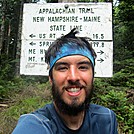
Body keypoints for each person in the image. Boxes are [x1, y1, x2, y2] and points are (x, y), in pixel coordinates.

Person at [12, 28, 118, 134]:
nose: (73, 77)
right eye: (62, 68)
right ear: (51, 78)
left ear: (93, 76)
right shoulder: (35, 124)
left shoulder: (106, 120)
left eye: (82, 67)